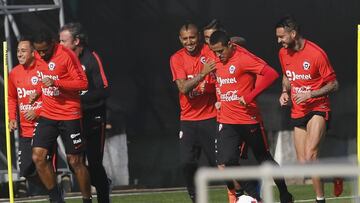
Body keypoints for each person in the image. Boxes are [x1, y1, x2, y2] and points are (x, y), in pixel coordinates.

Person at [208, 30, 293, 203]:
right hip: (227, 120)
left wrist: (250, 96)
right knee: (227, 161)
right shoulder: (215, 60)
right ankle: (255, 197)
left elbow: (271, 74)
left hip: (249, 119)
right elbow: (220, 83)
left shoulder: (243, 58)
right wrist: (218, 100)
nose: (218, 55)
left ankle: (284, 193)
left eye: (220, 51)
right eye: (214, 52)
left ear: (230, 46)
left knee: (264, 158)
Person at [275, 16, 339, 203]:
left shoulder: (316, 53)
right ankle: (337, 174)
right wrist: (284, 92)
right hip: (298, 110)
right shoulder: (283, 53)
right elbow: (286, 76)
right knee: (304, 164)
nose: (279, 41)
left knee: (311, 155)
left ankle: (320, 200)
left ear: (293, 34)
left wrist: (311, 94)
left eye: (281, 37)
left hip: (318, 107)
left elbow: (334, 84)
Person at [29, 30, 92, 203]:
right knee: (38, 157)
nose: (41, 54)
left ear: (53, 43)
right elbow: (44, 79)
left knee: (75, 161)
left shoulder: (66, 55)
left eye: (45, 50)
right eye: (38, 51)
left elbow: (83, 83)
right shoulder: (37, 55)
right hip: (48, 113)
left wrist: (57, 82)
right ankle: (56, 199)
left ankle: (87, 199)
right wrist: (37, 92)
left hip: (69, 113)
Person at [59, 22, 111, 203]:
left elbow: (104, 89)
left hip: (94, 117)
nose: (60, 45)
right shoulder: (61, 60)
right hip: (73, 119)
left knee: (95, 163)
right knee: (74, 164)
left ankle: (103, 194)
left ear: (76, 41)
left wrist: (78, 99)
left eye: (63, 41)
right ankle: (102, 182)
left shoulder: (91, 59)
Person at [169, 23, 218, 202]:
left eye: (192, 37)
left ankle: (238, 194)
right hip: (188, 119)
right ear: (180, 39)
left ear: (199, 37)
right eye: (185, 38)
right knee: (186, 162)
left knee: (220, 163)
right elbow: (183, 88)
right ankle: (194, 195)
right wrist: (203, 75)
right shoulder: (177, 58)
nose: (189, 42)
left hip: (211, 117)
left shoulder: (210, 52)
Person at [8, 38, 51, 195]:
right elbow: (12, 98)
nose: (19, 54)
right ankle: (53, 189)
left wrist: (37, 112)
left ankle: (55, 195)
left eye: (23, 50)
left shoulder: (43, 70)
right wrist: (12, 118)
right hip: (25, 130)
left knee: (43, 163)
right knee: (25, 169)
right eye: (18, 50)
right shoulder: (14, 73)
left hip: (45, 127)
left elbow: (52, 97)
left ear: (33, 53)